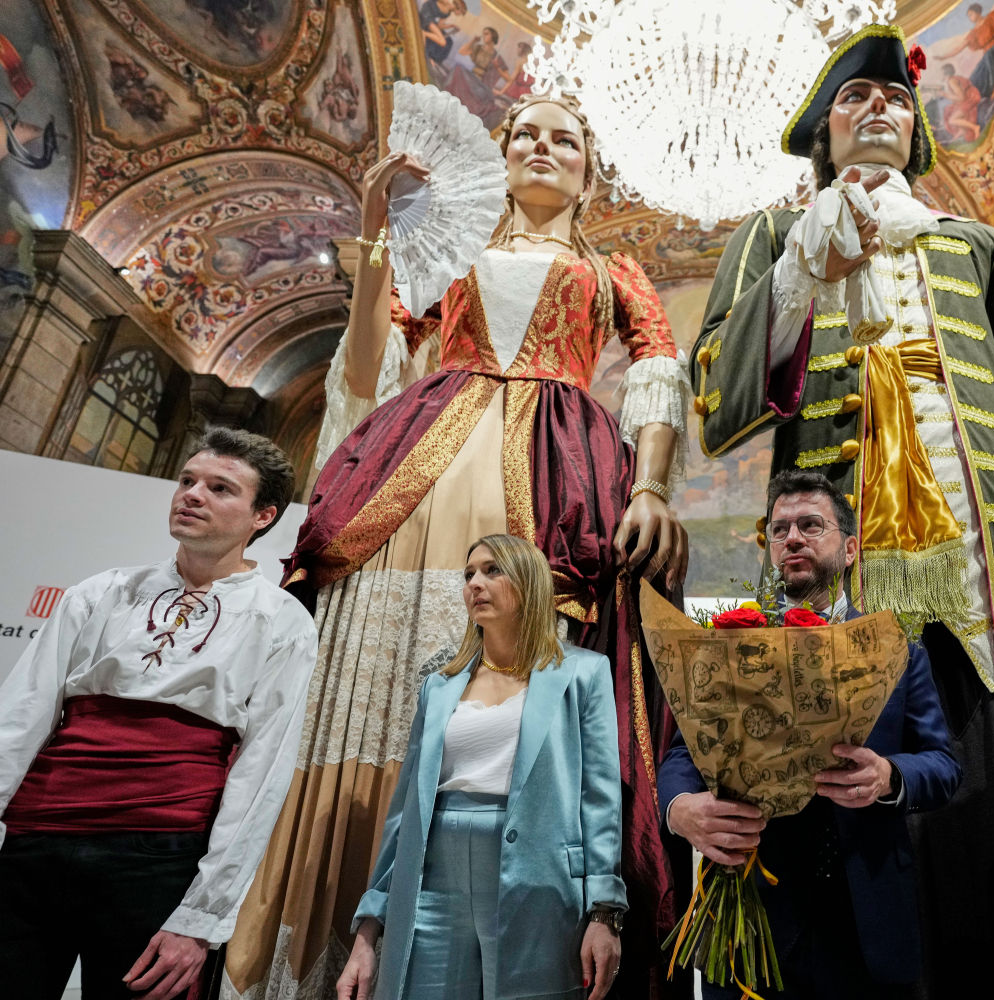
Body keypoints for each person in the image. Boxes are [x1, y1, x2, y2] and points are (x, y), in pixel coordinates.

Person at [229, 94, 689, 998]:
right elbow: (368, 364)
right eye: (527, 135)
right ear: (502, 156)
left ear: (589, 171)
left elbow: (658, 369)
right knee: (382, 672)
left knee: (524, 671)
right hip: (421, 458)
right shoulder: (446, 252)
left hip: (558, 469)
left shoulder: (615, 271)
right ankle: (339, 929)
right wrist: (376, 237)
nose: (544, 148)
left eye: (566, 139)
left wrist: (650, 486)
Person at [690, 23, 994, 993]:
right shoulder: (773, 236)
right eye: (855, 99)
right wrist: (799, 277)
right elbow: (718, 400)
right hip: (841, 568)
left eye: (898, 100)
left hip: (977, 560)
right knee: (837, 800)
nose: (880, 110)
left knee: (992, 799)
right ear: (823, 130)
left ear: (916, 130)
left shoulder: (980, 245)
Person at [0, 427, 317, 1000]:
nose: (192, 494)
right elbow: (19, 719)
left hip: (160, 856)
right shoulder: (100, 592)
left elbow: (262, 773)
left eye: (220, 488)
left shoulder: (282, 620)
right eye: (188, 480)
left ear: (263, 515)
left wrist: (201, 918)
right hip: (37, 840)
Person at [657, 471, 961, 999]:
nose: (792, 538)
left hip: (865, 918)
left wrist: (889, 775)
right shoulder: (729, 644)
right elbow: (685, 753)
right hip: (753, 917)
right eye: (779, 530)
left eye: (810, 525)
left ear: (850, 549)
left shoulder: (897, 650)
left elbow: (944, 764)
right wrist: (679, 808)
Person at [336, 534, 625, 1000]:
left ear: (529, 582)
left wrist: (604, 912)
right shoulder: (440, 686)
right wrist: (368, 933)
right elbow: (404, 812)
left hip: (540, 880)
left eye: (493, 570)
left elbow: (601, 799)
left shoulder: (583, 673)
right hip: (432, 880)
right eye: (469, 573)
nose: (475, 583)